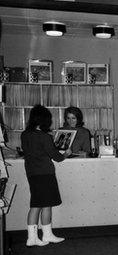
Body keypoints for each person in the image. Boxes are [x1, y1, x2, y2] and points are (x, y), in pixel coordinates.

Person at [21, 105, 72, 247]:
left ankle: (33, 237)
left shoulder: (25, 134)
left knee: (36, 204)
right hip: (45, 174)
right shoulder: (44, 137)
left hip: (32, 173)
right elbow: (57, 157)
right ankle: (46, 235)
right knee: (46, 205)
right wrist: (67, 153)